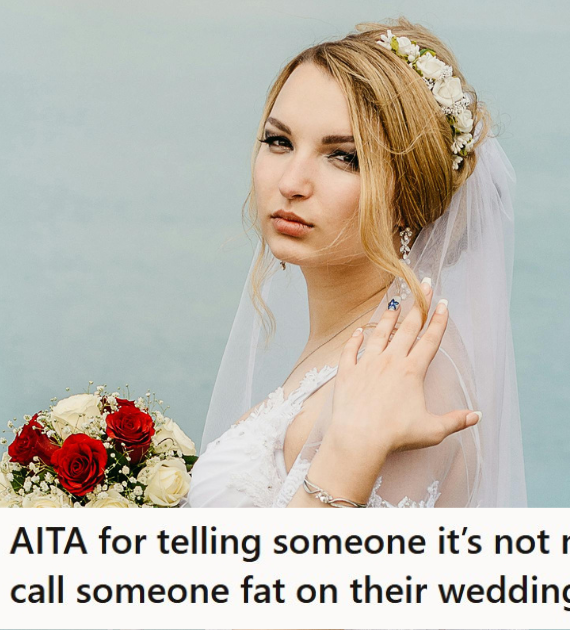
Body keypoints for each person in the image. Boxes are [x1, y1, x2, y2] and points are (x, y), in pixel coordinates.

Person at [186, 17, 526, 511]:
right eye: (279, 141)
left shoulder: (408, 376)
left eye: (344, 157)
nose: (292, 182)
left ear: (411, 192)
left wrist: (349, 458)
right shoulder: (357, 346)